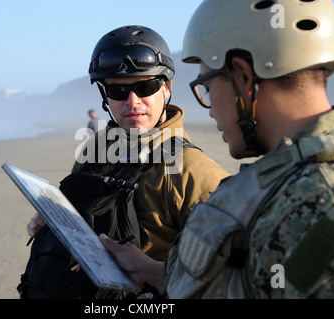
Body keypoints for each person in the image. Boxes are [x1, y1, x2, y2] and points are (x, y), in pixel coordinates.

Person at [100, 0, 334, 299]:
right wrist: (154, 271)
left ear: (243, 77)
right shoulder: (290, 179)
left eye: (206, 87)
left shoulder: (330, 211)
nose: (209, 112)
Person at [26, 25, 230, 297]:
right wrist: (52, 223)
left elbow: (225, 277)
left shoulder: (194, 170)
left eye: (145, 87)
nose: (132, 102)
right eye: (119, 92)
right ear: (104, 96)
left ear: (167, 88)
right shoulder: (95, 150)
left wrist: (151, 269)